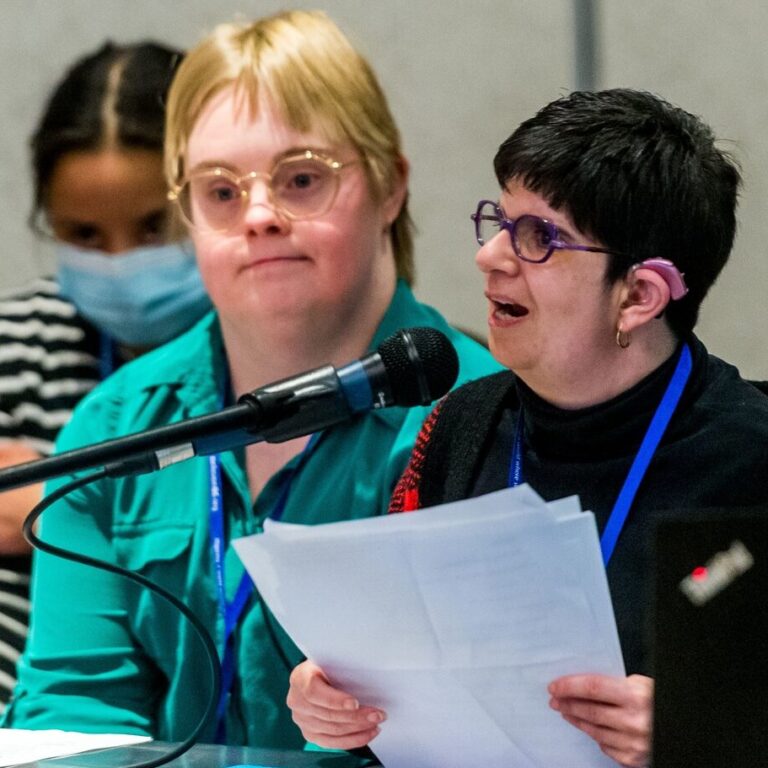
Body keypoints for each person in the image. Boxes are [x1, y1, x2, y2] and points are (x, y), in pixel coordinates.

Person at [2, 9, 498, 747]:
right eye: (221, 191)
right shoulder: (115, 425)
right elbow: (76, 715)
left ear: (391, 186)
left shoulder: (484, 420)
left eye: (301, 179)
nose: (259, 215)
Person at [286, 89, 768, 767]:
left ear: (638, 296)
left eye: (537, 237)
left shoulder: (752, 459)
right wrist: (336, 700)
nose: (490, 257)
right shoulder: (460, 424)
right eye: (500, 221)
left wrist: (713, 734)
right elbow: (398, 661)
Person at [0, 40, 212, 709]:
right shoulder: (18, 343)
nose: (121, 262)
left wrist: (55, 509)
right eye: (84, 236)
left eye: (154, 228)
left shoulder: (270, 352)